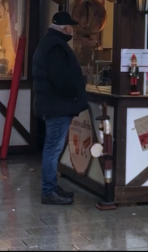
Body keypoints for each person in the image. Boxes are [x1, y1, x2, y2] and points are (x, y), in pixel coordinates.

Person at [32, 11, 87, 206]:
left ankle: (53, 187)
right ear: (65, 28)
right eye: (71, 26)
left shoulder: (50, 43)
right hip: (57, 105)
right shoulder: (55, 46)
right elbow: (59, 79)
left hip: (55, 104)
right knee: (53, 148)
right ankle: (48, 190)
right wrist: (74, 92)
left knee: (53, 147)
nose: (72, 30)